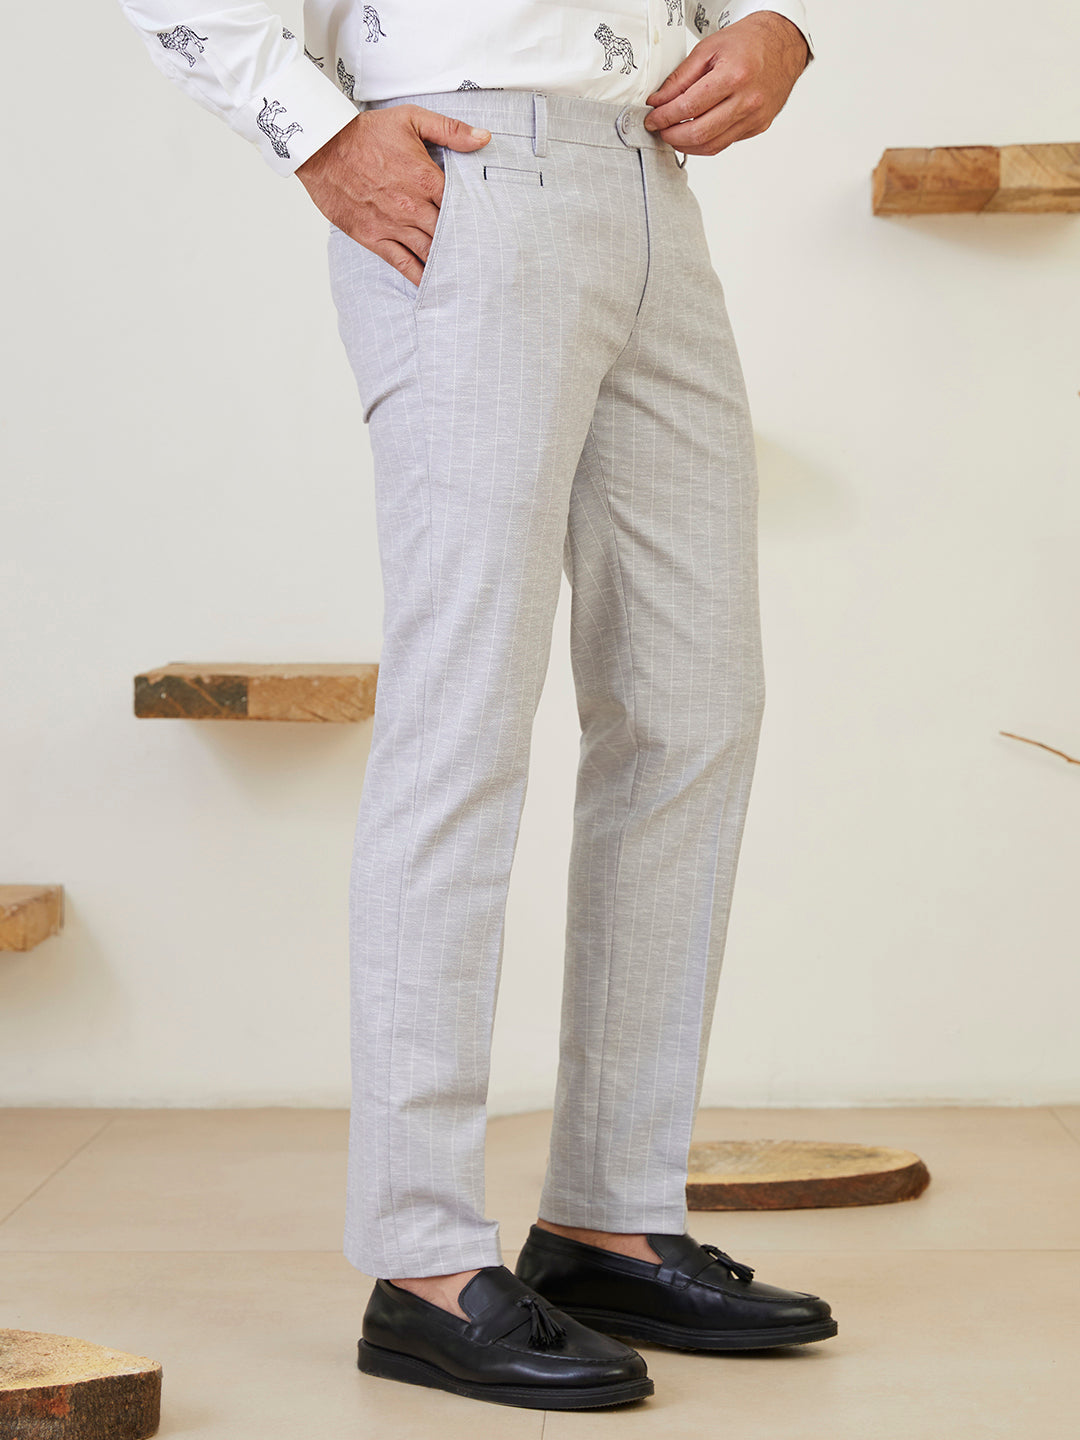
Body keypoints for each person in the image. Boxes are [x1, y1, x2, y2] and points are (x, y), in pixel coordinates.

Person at [117, 0, 836, 1411]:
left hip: (650, 183)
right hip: (468, 174)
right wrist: (317, 134)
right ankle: (424, 1259)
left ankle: (610, 1219)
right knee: (465, 719)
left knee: (696, 709)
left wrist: (775, 29)